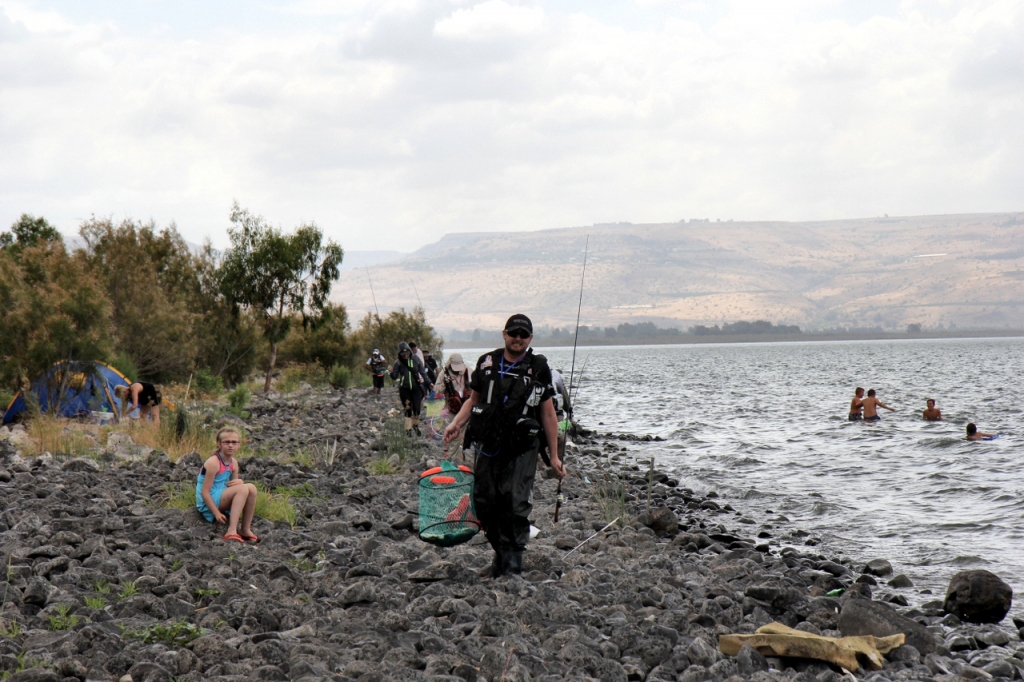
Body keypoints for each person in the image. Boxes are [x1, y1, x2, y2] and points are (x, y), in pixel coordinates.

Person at [443, 314, 566, 578]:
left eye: (523, 335)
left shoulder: (538, 367)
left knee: (514, 502)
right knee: (485, 501)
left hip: (523, 447)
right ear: (504, 334)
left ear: (530, 338)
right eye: (513, 333)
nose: (517, 339)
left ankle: (512, 566)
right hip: (488, 443)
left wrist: (554, 457)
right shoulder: (486, 363)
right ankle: (500, 555)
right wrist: (457, 424)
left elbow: (547, 415)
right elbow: (472, 400)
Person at [196, 428, 259, 543]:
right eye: (227, 442)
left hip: (222, 495)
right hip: (209, 501)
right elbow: (205, 492)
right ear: (219, 444)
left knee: (251, 488)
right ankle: (231, 530)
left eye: (234, 442)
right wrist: (216, 513)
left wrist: (240, 482)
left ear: (239, 445)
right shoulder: (213, 462)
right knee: (242, 489)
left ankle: (245, 529)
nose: (231, 445)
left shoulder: (233, 463)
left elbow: (234, 486)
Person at [391, 342, 429, 436]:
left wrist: (429, 383)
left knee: (417, 409)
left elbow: (423, 372)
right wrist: (391, 371)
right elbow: (394, 377)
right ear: (400, 354)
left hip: (416, 387)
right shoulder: (398, 363)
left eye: (407, 353)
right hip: (404, 389)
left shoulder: (416, 359)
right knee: (407, 409)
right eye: (403, 354)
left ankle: (415, 426)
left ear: (410, 351)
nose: (405, 355)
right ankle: (408, 430)